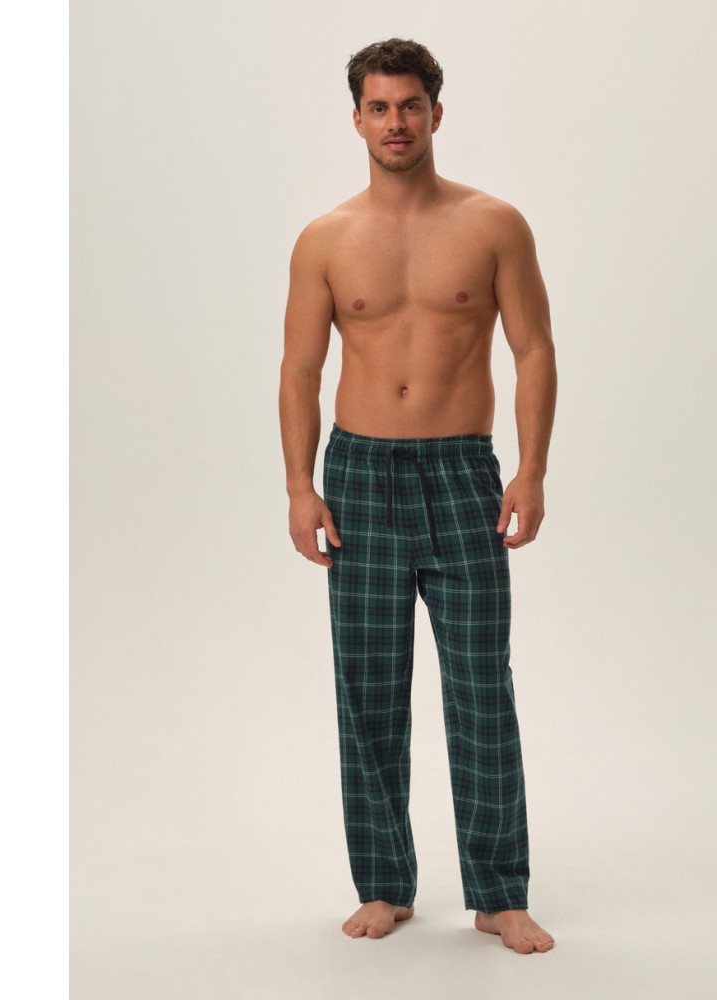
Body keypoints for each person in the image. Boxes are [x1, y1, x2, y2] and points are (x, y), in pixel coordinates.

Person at [278, 38, 557, 955]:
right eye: (378, 107)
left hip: (463, 473)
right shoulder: (325, 238)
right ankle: (385, 885)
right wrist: (300, 487)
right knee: (368, 690)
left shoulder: (493, 224)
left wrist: (530, 470)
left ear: (437, 112)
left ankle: (499, 892)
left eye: (409, 105)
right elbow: (299, 369)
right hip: (359, 478)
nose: (394, 122)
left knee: (482, 686)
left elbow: (533, 350)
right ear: (356, 118)